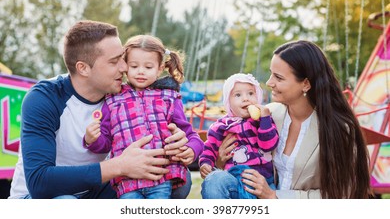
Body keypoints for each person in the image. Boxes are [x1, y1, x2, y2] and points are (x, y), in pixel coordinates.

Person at [8, 20, 192, 199]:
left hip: (93, 191)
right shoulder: (44, 98)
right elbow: (40, 183)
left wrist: (178, 143)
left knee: (172, 177)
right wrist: (119, 166)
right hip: (36, 198)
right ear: (83, 68)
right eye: (114, 62)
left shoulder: (121, 96)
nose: (124, 67)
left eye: (122, 58)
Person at [205, 40, 372, 199]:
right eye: (271, 74)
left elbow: (344, 194)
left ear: (305, 84)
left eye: (279, 77)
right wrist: (221, 160)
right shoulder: (267, 115)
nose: (269, 83)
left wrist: (274, 196)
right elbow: (239, 157)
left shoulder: (339, 128)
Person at [83, 34, 203, 199]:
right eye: (134, 66)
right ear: (125, 65)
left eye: (148, 67)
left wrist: (192, 149)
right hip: (127, 183)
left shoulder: (169, 97)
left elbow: (190, 134)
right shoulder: (113, 99)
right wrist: (92, 139)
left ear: (159, 68)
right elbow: (105, 143)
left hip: (161, 178)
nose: (140, 72)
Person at [199, 73, 279, 199]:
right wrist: (206, 163)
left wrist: (264, 120)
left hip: (264, 180)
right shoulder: (221, 126)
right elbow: (209, 148)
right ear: (228, 102)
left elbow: (268, 145)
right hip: (235, 178)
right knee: (214, 180)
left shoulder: (263, 121)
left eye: (251, 93)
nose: (246, 99)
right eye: (238, 95)